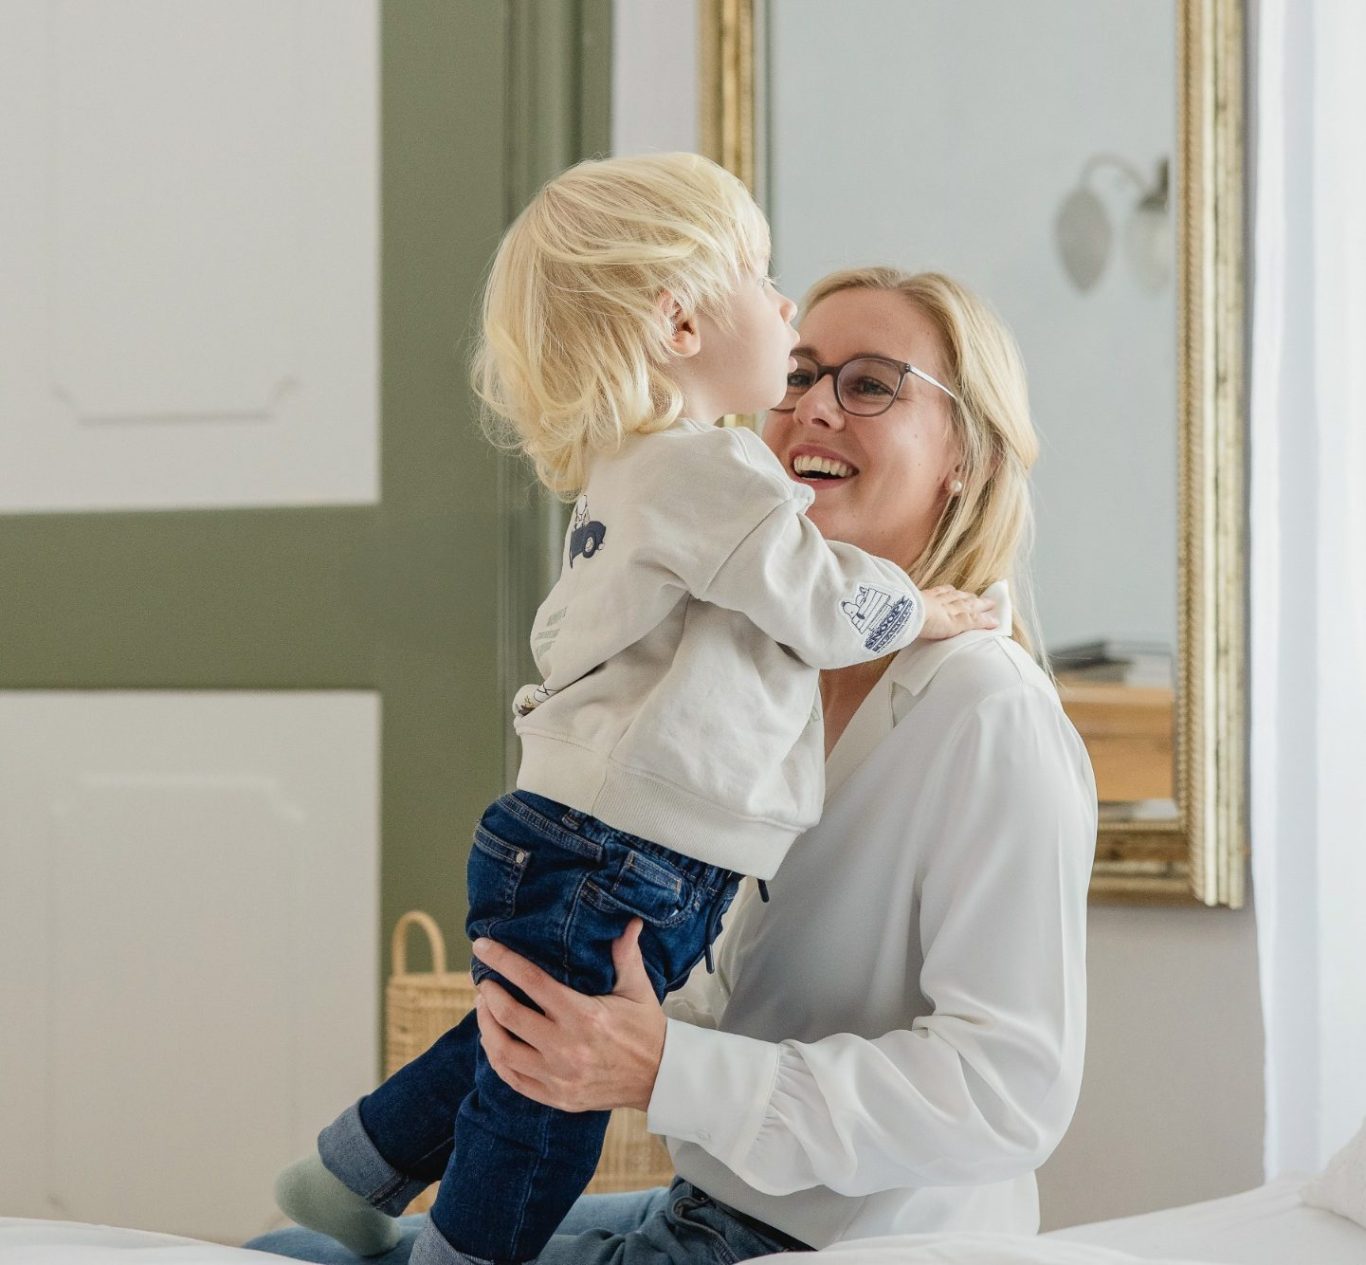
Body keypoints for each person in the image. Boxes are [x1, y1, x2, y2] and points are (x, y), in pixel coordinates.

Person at [249, 267, 1096, 1265]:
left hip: (832, 1240)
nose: (814, 405)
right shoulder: (761, 676)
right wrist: (574, 985)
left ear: (965, 454)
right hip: (707, 1201)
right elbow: (731, 978)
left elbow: (1009, 1091)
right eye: (800, 374)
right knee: (291, 1244)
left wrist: (662, 1065)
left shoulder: (986, 710)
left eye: (870, 384)